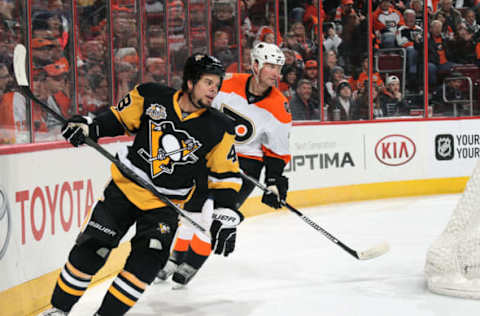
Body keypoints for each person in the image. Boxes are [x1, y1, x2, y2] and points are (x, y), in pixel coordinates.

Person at [38, 53, 243, 316]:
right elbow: (117, 119)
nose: (215, 89)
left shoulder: (220, 127)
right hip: (124, 191)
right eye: (208, 82)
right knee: (92, 249)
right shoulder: (151, 96)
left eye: (217, 84)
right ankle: (58, 310)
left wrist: (226, 211)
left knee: (146, 265)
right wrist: (89, 127)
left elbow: (225, 175)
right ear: (190, 82)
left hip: (164, 206)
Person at [155, 42, 291, 287]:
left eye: (278, 68)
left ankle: (191, 263)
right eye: (270, 66)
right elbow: (197, 104)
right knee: (190, 210)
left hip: (246, 165)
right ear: (256, 65)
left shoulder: (279, 108)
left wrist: (274, 183)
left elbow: (276, 152)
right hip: (212, 153)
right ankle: (175, 257)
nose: (275, 73)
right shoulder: (226, 83)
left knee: (219, 216)